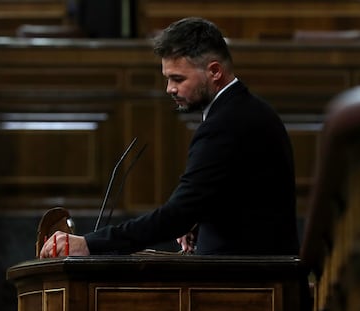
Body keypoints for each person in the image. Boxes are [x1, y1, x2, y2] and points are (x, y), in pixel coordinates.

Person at [40, 16, 300, 258]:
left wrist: (88, 244)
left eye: (178, 79)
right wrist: (198, 221)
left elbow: (177, 215)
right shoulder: (247, 110)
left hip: (253, 286)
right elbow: (243, 200)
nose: (170, 89)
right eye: (167, 79)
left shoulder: (227, 124)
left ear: (215, 72)